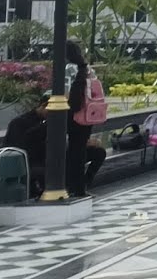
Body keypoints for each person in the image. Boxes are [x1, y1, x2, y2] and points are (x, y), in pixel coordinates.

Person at [63, 41, 102, 197]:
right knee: (79, 150)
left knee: (73, 151)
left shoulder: (68, 69)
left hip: (73, 114)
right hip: (87, 115)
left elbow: (64, 93)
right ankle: (80, 187)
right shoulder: (87, 69)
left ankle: (71, 186)